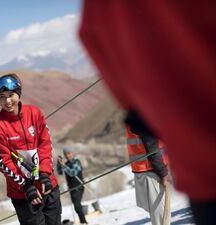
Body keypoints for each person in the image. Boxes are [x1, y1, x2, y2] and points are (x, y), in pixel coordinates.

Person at [79, 2, 216, 224]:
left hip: (194, 174)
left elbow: (93, 35)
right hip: (165, 167)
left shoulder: (103, 9)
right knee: (161, 218)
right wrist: (163, 170)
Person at [0, 73, 62, 225]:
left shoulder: (35, 113)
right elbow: (4, 162)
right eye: (1, 97)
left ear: (18, 93)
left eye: (11, 95)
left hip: (48, 185)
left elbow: (45, 144)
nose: (7, 101)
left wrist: (45, 173)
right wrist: (26, 185)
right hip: (23, 194)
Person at [126, 124, 172, 225]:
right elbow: (151, 147)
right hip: (152, 171)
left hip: (151, 170)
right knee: (162, 219)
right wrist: (163, 173)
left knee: (162, 217)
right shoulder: (142, 114)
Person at [56, 146, 88, 225]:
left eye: (69, 153)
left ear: (72, 153)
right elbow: (60, 172)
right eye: (66, 154)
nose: (67, 156)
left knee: (77, 205)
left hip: (78, 187)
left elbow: (73, 173)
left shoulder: (77, 162)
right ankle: (83, 217)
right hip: (72, 188)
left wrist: (63, 165)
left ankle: (83, 222)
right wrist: (59, 164)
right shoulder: (66, 164)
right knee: (76, 206)